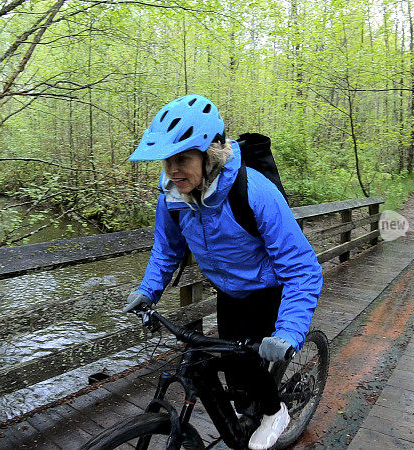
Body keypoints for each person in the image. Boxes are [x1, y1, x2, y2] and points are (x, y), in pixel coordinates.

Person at [123, 94, 322, 450]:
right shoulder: (172, 197)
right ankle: (252, 407)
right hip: (228, 290)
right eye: (167, 161)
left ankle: (276, 412)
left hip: (269, 288)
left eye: (182, 159)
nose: (173, 171)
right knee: (234, 369)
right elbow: (167, 249)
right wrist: (148, 289)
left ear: (210, 154)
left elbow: (302, 267)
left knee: (251, 359)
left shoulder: (255, 192)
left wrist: (289, 332)